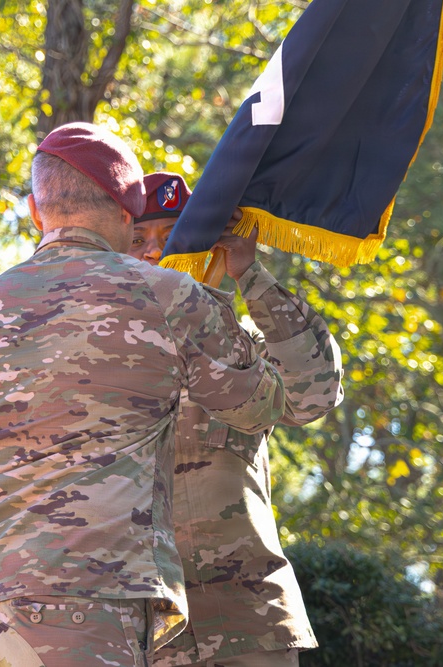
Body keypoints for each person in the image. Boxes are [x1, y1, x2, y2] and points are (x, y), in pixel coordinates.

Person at [0, 122, 293, 667]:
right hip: (89, 597)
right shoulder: (166, 297)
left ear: (35, 212)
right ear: (126, 211)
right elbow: (258, 404)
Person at [129, 172, 343, 667]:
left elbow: (315, 393)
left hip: (246, 622)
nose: (154, 252)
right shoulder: (99, 354)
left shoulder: (237, 345)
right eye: (138, 240)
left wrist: (250, 273)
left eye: (172, 237)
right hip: (142, 632)